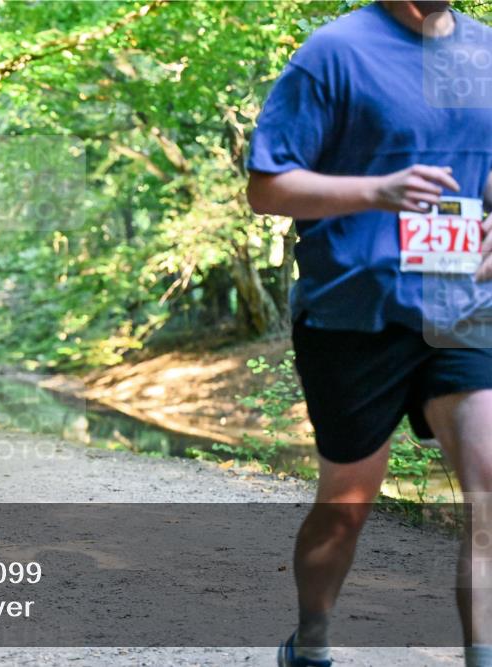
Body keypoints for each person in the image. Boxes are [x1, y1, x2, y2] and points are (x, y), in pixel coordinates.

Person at [246, 2, 492, 666]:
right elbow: (267, 187)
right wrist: (377, 191)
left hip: (462, 303)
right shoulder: (334, 53)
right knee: (346, 506)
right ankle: (312, 638)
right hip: (355, 310)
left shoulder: (484, 52)